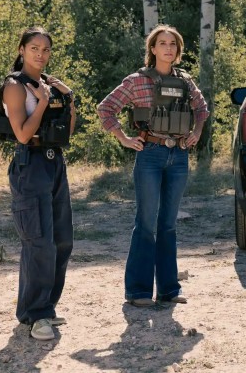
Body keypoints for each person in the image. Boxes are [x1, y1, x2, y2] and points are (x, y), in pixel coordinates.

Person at [97, 25, 209, 307]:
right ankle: (138, 291)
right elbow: (105, 108)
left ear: (178, 50)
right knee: (146, 224)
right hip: (149, 155)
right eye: (163, 43)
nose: (168, 48)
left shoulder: (185, 81)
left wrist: (196, 132)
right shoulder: (137, 81)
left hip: (178, 156)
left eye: (173, 44)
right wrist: (123, 138)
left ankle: (169, 289)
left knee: (168, 225)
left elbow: (202, 109)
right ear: (153, 48)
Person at [3, 26, 77, 341]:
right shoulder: (15, 86)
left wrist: (68, 98)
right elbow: (21, 134)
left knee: (62, 241)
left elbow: (67, 133)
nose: (40, 54)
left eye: (45, 49)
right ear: (22, 50)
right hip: (30, 165)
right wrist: (44, 102)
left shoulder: (49, 84)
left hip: (54, 161)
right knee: (39, 242)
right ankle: (36, 315)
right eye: (34, 48)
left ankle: (46, 307)